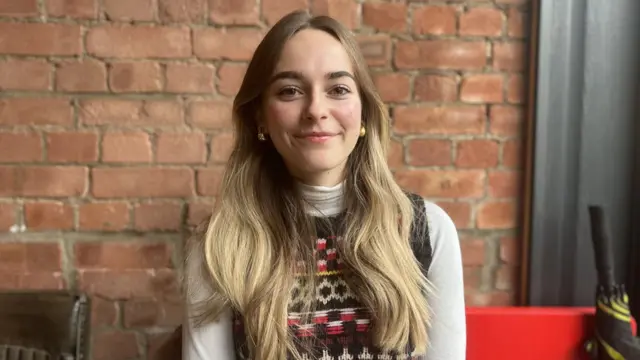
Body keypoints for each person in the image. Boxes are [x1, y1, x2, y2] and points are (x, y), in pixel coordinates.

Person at [182, 9, 466, 360]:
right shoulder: (219, 246)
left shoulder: (426, 230)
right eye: (290, 91)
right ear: (260, 116)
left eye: (338, 89)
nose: (316, 109)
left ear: (363, 112)